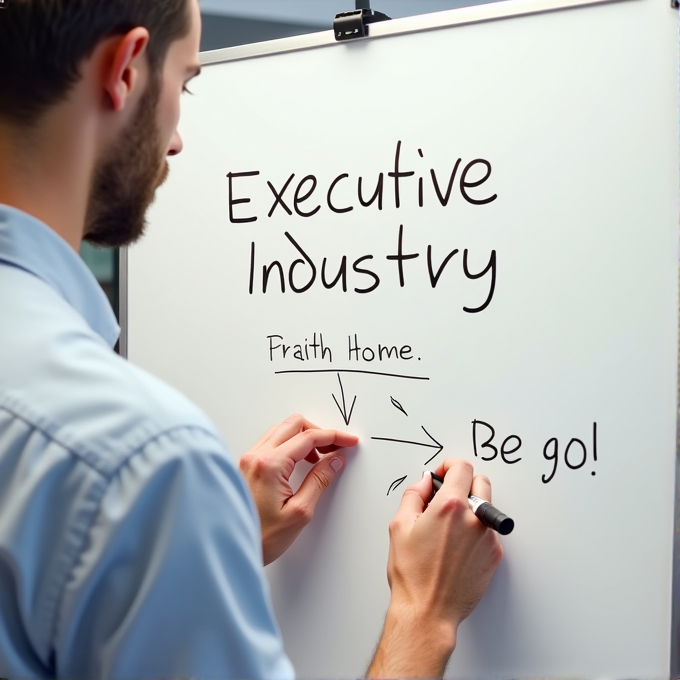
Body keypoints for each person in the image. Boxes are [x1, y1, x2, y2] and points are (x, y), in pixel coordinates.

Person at [0, 1, 503, 678]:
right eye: (185, 83)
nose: (177, 141)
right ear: (125, 70)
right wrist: (424, 615)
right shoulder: (144, 462)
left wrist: (199, 545)